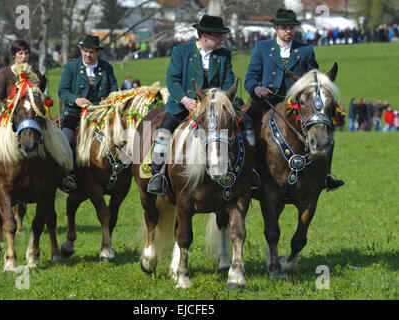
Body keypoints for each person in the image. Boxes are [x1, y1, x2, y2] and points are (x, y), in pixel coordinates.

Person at [146, 15, 259, 195]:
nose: (222, 38)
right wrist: (184, 99)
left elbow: (229, 80)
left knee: (246, 123)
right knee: (164, 129)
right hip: (186, 105)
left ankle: (252, 169)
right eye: (218, 35)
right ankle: (157, 174)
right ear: (205, 36)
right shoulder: (181, 51)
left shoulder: (224, 54)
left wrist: (223, 99)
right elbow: (172, 80)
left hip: (216, 107)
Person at [244, 8, 344, 191]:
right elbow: (250, 77)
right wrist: (256, 88)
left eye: (291, 27)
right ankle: (250, 172)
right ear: (275, 27)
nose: (288, 31)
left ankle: (326, 175)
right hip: (266, 102)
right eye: (284, 27)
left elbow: (314, 78)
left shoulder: (305, 50)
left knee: (325, 128)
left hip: (296, 105)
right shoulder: (262, 47)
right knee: (246, 125)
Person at [0, 40, 76, 191]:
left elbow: (39, 96)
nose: (24, 56)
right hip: (5, 111)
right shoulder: (4, 73)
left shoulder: (37, 74)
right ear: (14, 55)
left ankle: (66, 174)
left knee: (59, 135)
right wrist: (8, 109)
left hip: (31, 114)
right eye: (20, 53)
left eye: (26, 53)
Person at [58, 34, 118, 181]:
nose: (88, 55)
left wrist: (106, 104)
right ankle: (67, 173)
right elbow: (62, 91)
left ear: (98, 52)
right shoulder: (72, 66)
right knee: (66, 138)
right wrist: (76, 100)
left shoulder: (106, 68)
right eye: (85, 51)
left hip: (101, 112)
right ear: (81, 50)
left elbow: (115, 91)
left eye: (91, 52)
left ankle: (117, 170)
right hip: (74, 112)